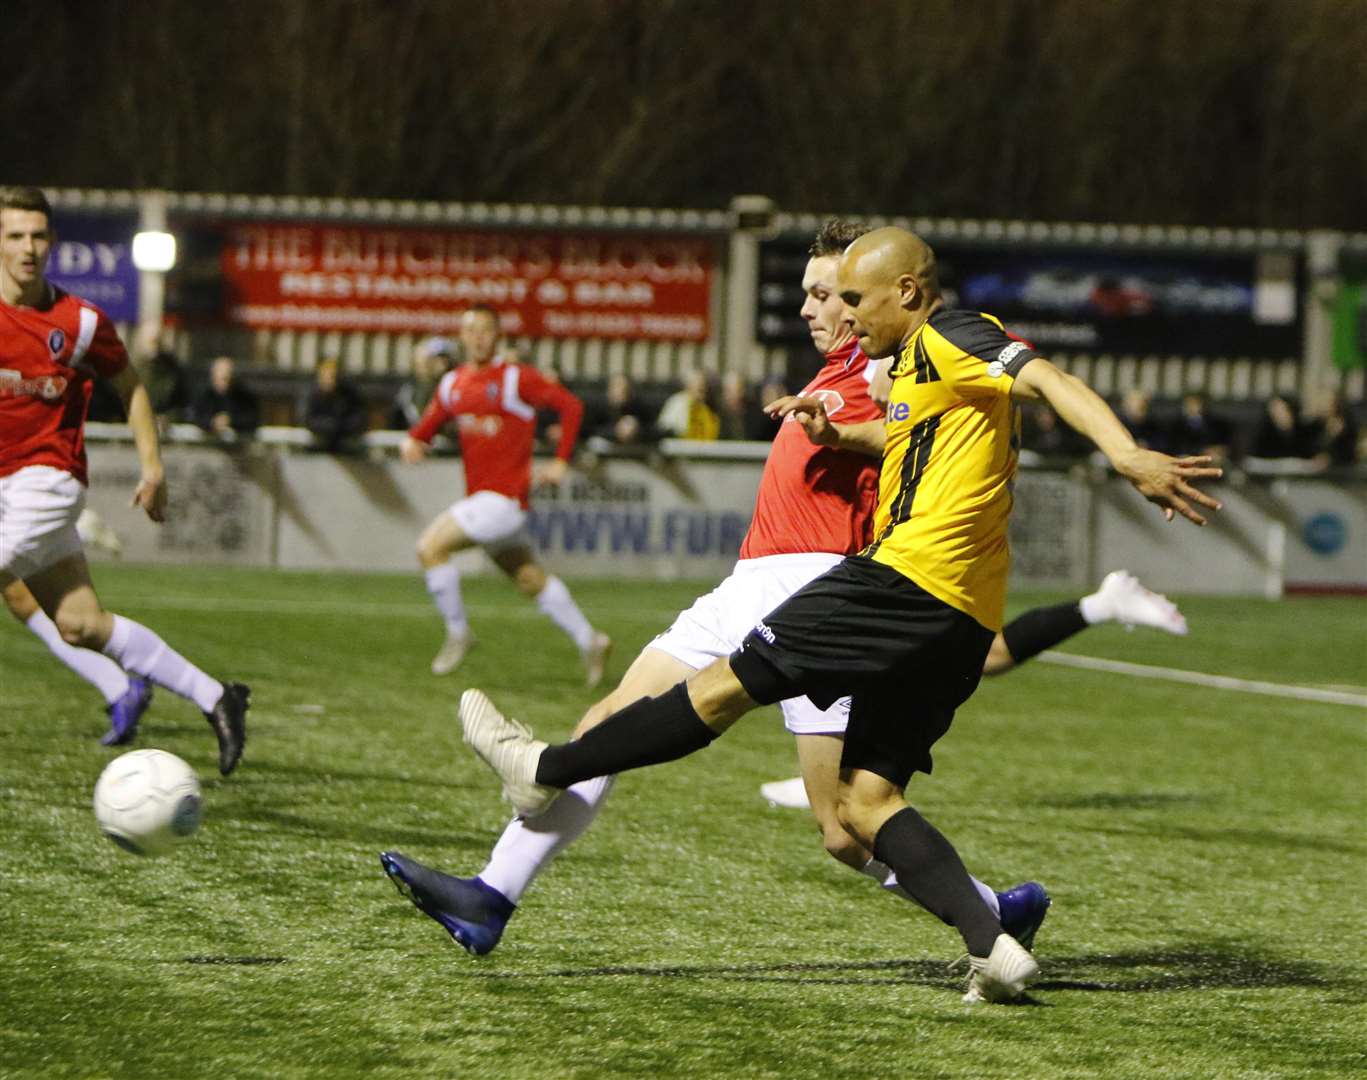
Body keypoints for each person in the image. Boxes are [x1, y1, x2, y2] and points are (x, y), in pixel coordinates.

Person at [379, 221, 1189, 981]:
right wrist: (841, 430)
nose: (811, 308)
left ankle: (985, 914)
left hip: (821, 576)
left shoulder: (891, 360)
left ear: (878, 295)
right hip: (759, 575)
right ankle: (493, 892)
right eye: (807, 292)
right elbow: (913, 433)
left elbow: (1008, 389)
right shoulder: (865, 369)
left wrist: (1124, 453)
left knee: (840, 821)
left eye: (826, 294)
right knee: (624, 726)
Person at [0, 186, 250, 770]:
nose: (28, 248)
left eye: (38, 235)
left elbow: (132, 387)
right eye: (15, 236)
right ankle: (218, 696)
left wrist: (153, 466)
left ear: (52, 241)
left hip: (48, 481)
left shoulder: (80, 322)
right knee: (80, 625)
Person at [400, 304, 612, 684]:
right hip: (489, 504)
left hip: (502, 501)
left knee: (430, 548)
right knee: (530, 579)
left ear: (497, 335)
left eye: (485, 329)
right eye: (471, 330)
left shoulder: (515, 379)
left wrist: (562, 461)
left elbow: (571, 406)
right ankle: (591, 640)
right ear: (462, 337)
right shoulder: (453, 384)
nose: (478, 336)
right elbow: (427, 426)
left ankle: (459, 633)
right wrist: (413, 443)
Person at [302, 356, 368, 452]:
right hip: (318, 444)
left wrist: (342, 426)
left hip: (346, 443)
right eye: (327, 374)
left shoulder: (349, 392)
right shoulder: (311, 393)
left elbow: (360, 416)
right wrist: (330, 426)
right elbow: (307, 419)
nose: (330, 379)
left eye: (333, 375)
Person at [391, 336, 455, 430]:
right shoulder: (410, 389)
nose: (441, 364)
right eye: (435, 359)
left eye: (444, 359)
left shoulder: (454, 384)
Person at [190, 355, 259, 438]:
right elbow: (194, 416)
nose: (224, 383)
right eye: (220, 379)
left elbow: (252, 418)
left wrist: (230, 420)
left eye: (227, 378)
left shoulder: (243, 395)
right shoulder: (204, 395)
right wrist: (213, 422)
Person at [656, 368, 720, 440]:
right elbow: (666, 428)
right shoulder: (677, 402)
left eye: (703, 384)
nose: (702, 386)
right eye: (698, 384)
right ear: (689, 385)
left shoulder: (707, 408)